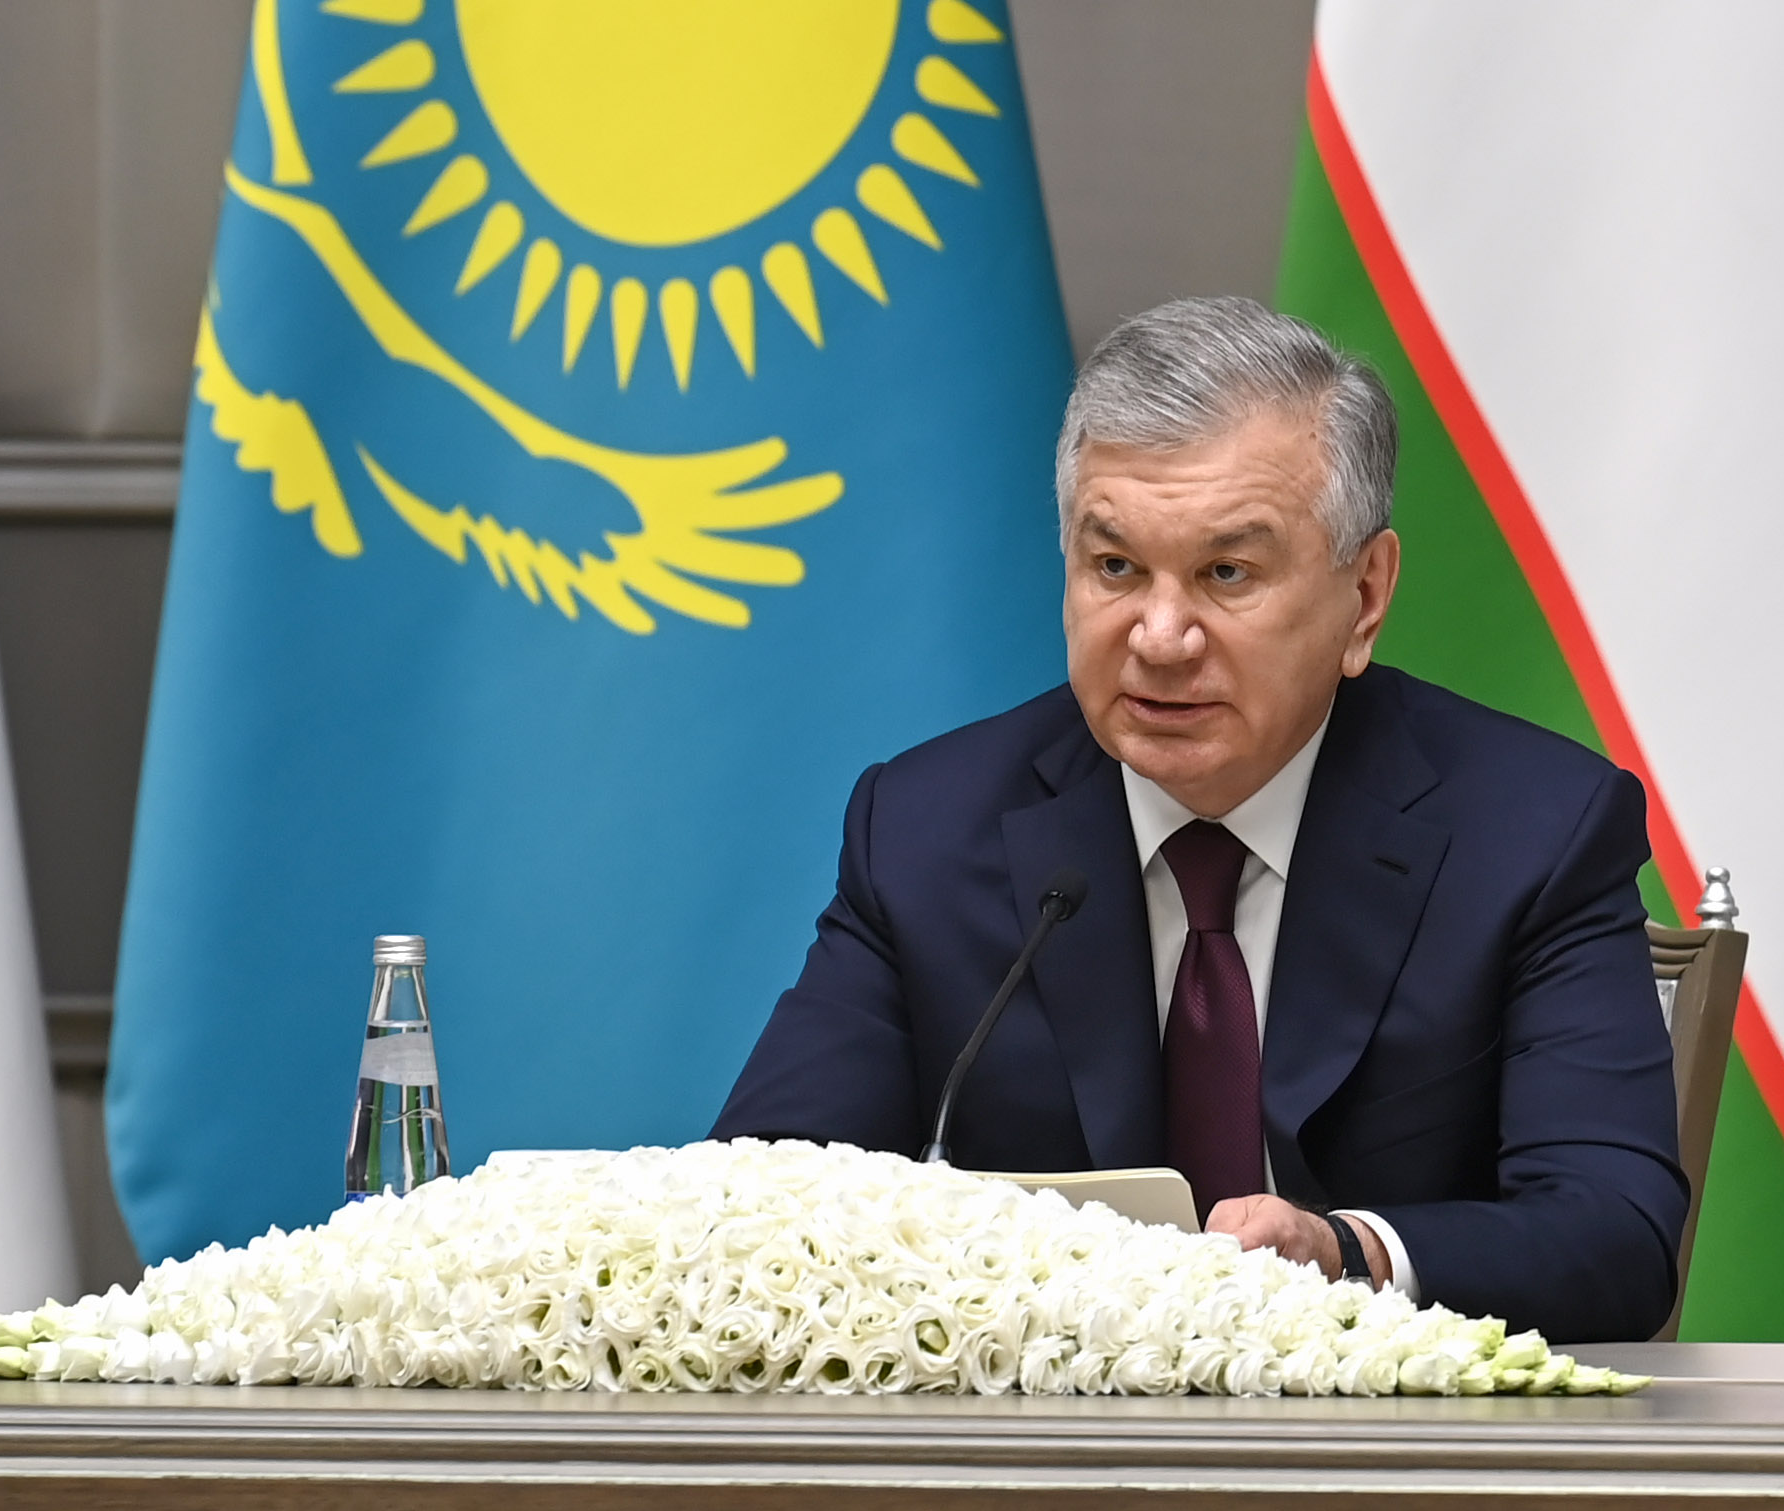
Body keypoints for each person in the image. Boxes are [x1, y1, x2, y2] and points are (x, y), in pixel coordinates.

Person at [714, 298, 1686, 1342]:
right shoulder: (923, 830)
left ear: (1365, 597)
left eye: (1227, 574)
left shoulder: (1531, 833)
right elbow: (757, 1209)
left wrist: (1349, 1254)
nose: (1161, 636)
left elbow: (1614, 1235)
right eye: (1116, 568)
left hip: (1386, 1432)